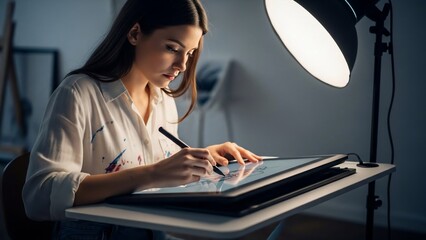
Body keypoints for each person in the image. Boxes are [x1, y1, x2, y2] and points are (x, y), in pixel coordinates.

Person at [22, 0, 262, 239]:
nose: (182, 65)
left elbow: (159, 173)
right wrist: (153, 173)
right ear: (135, 33)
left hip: (153, 229)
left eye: (189, 53)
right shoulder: (78, 93)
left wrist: (202, 159)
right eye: (172, 48)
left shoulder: (163, 100)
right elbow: (39, 197)